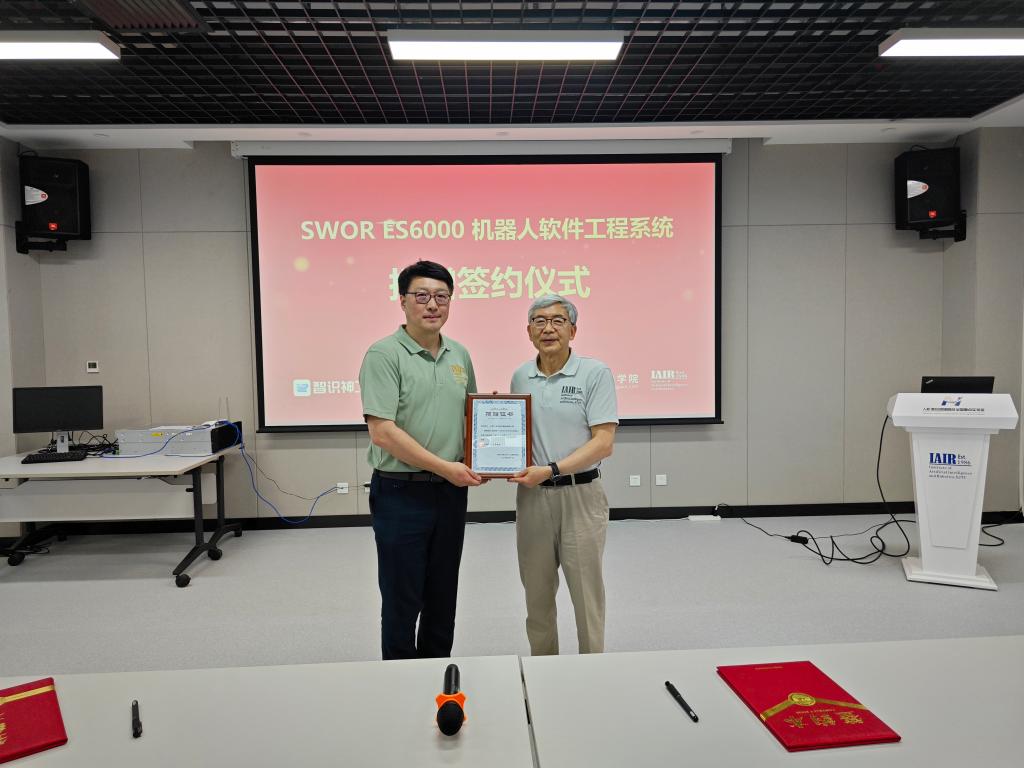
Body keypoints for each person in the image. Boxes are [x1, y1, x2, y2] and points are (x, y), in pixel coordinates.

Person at [359, 260, 482, 660]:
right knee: (402, 596)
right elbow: (383, 431)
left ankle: (435, 673)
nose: (433, 305)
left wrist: (491, 440)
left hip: (450, 494)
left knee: (443, 594)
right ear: (403, 301)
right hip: (400, 493)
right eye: (422, 296)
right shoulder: (384, 354)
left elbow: (471, 417)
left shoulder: (459, 354)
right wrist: (445, 467)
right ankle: (399, 679)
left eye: (442, 297)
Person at [509, 295, 618, 655]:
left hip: (580, 496)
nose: (548, 329)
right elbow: (516, 434)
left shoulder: (594, 373)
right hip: (533, 499)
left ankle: (591, 671)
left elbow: (603, 443)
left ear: (573, 330)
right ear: (528, 331)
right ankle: (543, 670)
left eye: (558, 321)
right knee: (537, 595)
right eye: (539, 321)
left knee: (587, 597)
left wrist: (553, 469)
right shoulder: (520, 376)